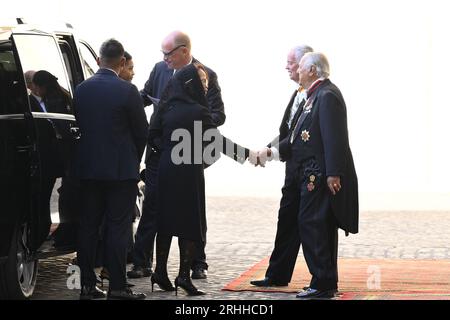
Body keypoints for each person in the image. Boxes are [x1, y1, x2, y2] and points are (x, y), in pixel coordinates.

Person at [254, 52, 358, 299]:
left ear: (312, 70)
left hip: (319, 175)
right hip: (308, 173)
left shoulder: (327, 96)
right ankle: (322, 281)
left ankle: (322, 284)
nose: (296, 71)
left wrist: (334, 173)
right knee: (311, 223)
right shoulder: (312, 96)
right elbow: (297, 136)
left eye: (299, 67)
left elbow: (335, 139)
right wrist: (271, 152)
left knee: (315, 225)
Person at [129, 31, 225, 280]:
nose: (164, 59)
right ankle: (142, 262)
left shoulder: (206, 75)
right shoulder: (160, 69)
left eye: (168, 53)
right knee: (152, 204)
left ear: (184, 51)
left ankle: (197, 263)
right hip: (158, 149)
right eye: (162, 53)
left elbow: (218, 114)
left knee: (192, 208)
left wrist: (187, 121)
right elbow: (144, 96)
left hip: (188, 152)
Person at [148, 62, 248, 295]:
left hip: (166, 168)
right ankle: (183, 276)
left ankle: (159, 272)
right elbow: (216, 141)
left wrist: (170, 151)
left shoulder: (166, 107)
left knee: (165, 221)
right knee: (190, 223)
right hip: (188, 171)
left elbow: (152, 136)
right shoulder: (199, 111)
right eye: (202, 82)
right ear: (191, 83)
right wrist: (245, 156)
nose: (205, 87)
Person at [73, 39, 148, 300]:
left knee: (88, 227)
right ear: (122, 62)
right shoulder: (128, 91)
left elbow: (79, 128)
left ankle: (86, 285)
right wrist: (132, 160)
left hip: (88, 169)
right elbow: (142, 133)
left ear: (98, 60)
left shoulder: (81, 90)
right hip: (120, 171)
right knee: (117, 228)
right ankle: (117, 286)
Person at [249, 45, 313, 287]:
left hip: (308, 170)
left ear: (306, 65)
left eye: (291, 63)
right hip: (292, 168)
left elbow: (298, 136)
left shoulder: (315, 95)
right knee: (286, 219)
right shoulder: (298, 92)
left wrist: (269, 152)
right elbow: (288, 131)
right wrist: (269, 150)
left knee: (308, 224)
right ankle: (276, 275)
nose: (287, 67)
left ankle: (322, 279)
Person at [27, 70, 73, 247]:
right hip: (62, 155)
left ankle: (45, 232)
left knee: (45, 195)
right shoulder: (61, 95)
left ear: (40, 86)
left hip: (56, 155)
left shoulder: (53, 101)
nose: (34, 90)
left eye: (35, 86)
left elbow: (57, 129)